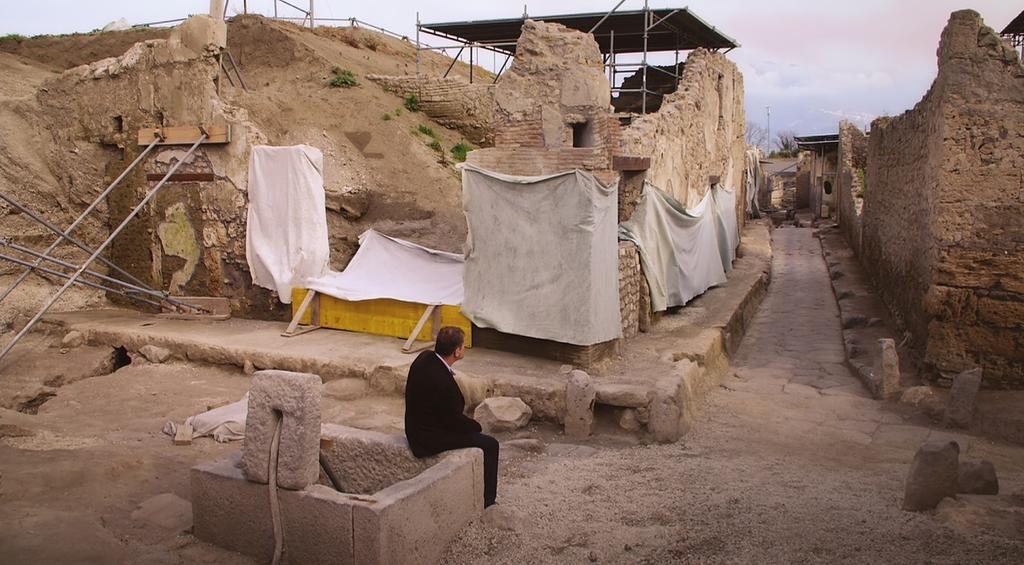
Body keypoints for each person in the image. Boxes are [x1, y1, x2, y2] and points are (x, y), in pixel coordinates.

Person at [404, 326, 499, 508]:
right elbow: (453, 421)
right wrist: (476, 426)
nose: (464, 349)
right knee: (490, 444)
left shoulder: (424, 358)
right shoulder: (444, 384)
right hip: (426, 440)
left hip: (416, 427)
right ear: (456, 351)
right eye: (462, 347)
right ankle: (488, 501)